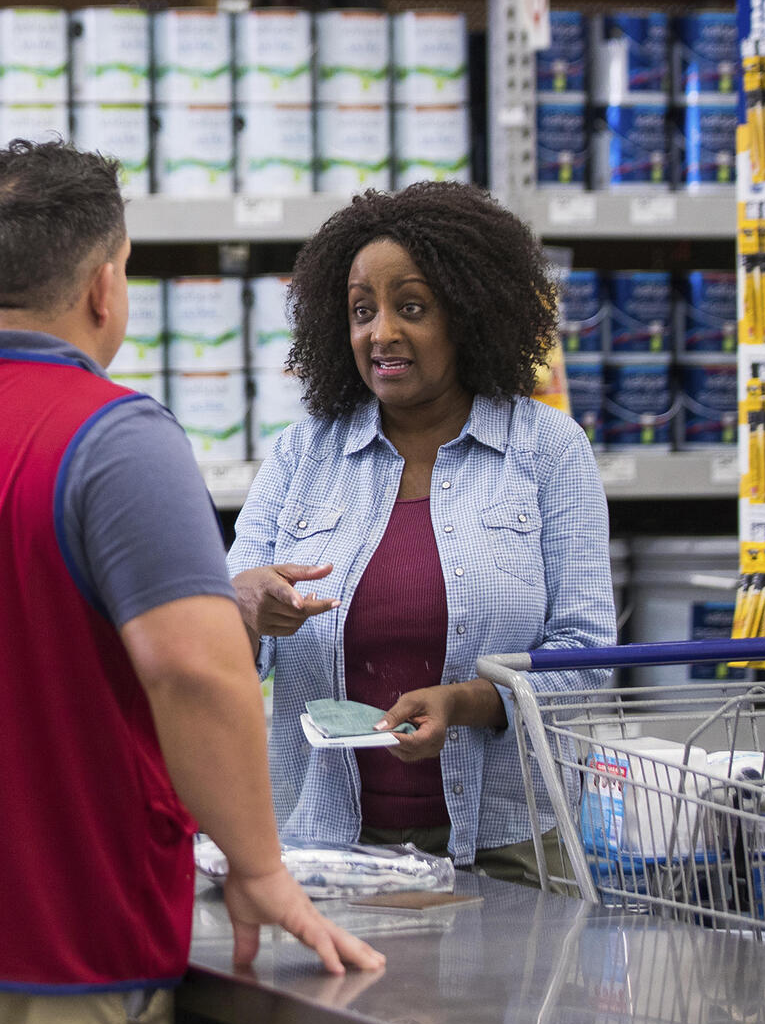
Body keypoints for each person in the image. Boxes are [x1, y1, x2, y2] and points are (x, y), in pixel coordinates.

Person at [0, 140, 381, 1024]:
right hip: (44, 944)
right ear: (105, 284)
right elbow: (197, 671)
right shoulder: (115, 439)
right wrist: (260, 867)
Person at [228, 184, 616, 884]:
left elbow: (587, 658)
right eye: (362, 311)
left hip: (506, 845)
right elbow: (226, 644)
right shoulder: (299, 456)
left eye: (411, 308)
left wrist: (468, 703)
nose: (381, 333)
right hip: (326, 844)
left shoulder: (548, 450)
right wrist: (246, 609)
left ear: (469, 314)